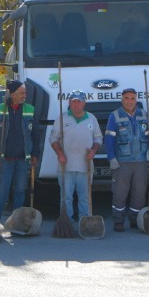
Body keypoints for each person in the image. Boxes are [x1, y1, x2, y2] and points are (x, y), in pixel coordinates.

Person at [49, 91, 103, 222]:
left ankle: (85, 222)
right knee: (66, 197)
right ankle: (67, 222)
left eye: (79, 101)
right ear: (69, 103)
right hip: (65, 165)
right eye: (73, 101)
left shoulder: (91, 118)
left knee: (84, 196)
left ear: (84, 103)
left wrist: (94, 151)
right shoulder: (61, 118)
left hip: (85, 166)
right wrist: (60, 154)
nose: (76, 104)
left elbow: (98, 138)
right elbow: (53, 138)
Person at [104, 88, 149, 231]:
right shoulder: (114, 116)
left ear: (136, 100)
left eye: (132, 98)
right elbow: (109, 139)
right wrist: (111, 157)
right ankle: (118, 221)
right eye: (126, 98)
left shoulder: (144, 114)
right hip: (122, 162)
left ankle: (134, 219)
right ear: (122, 100)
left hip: (141, 161)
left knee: (139, 193)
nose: (129, 101)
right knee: (120, 192)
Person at [0, 81, 40, 218]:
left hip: (23, 159)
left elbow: (36, 134)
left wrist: (35, 154)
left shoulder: (30, 109)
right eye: (22, 92)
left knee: (20, 191)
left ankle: (16, 221)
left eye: (25, 92)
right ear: (13, 94)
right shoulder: (0, 109)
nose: (25, 95)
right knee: (2, 191)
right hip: (5, 159)